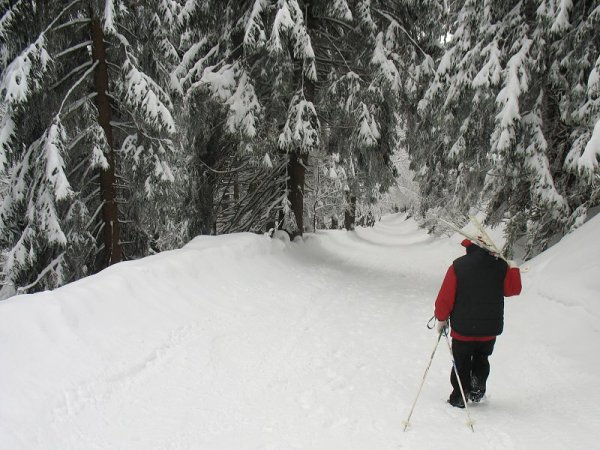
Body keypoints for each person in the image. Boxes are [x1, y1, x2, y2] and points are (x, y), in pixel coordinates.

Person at [434, 238, 522, 408]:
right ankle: (477, 388)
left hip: (463, 329)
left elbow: (445, 297)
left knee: (461, 361)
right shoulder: (500, 266)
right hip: (489, 329)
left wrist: (441, 317)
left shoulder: (458, 267)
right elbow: (513, 290)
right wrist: (513, 267)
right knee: (482, 358)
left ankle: (460, 396)